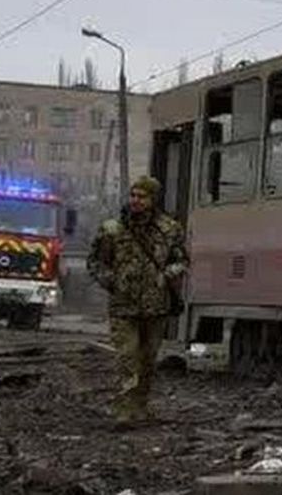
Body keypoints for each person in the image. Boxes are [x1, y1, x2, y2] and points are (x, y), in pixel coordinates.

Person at [87, 175, 188, 425]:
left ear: (153, 200)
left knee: (148, 359)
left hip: (156, 306)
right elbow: (95, 262)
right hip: (123, 306)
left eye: (142, 196)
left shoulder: (169, 229)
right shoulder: (112, 229)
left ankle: (140, 406)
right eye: (133, 195)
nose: (136, 200)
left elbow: (182, 260)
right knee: (128, 357)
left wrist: (167, 275)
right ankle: (125, 409)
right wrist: (110, 280)